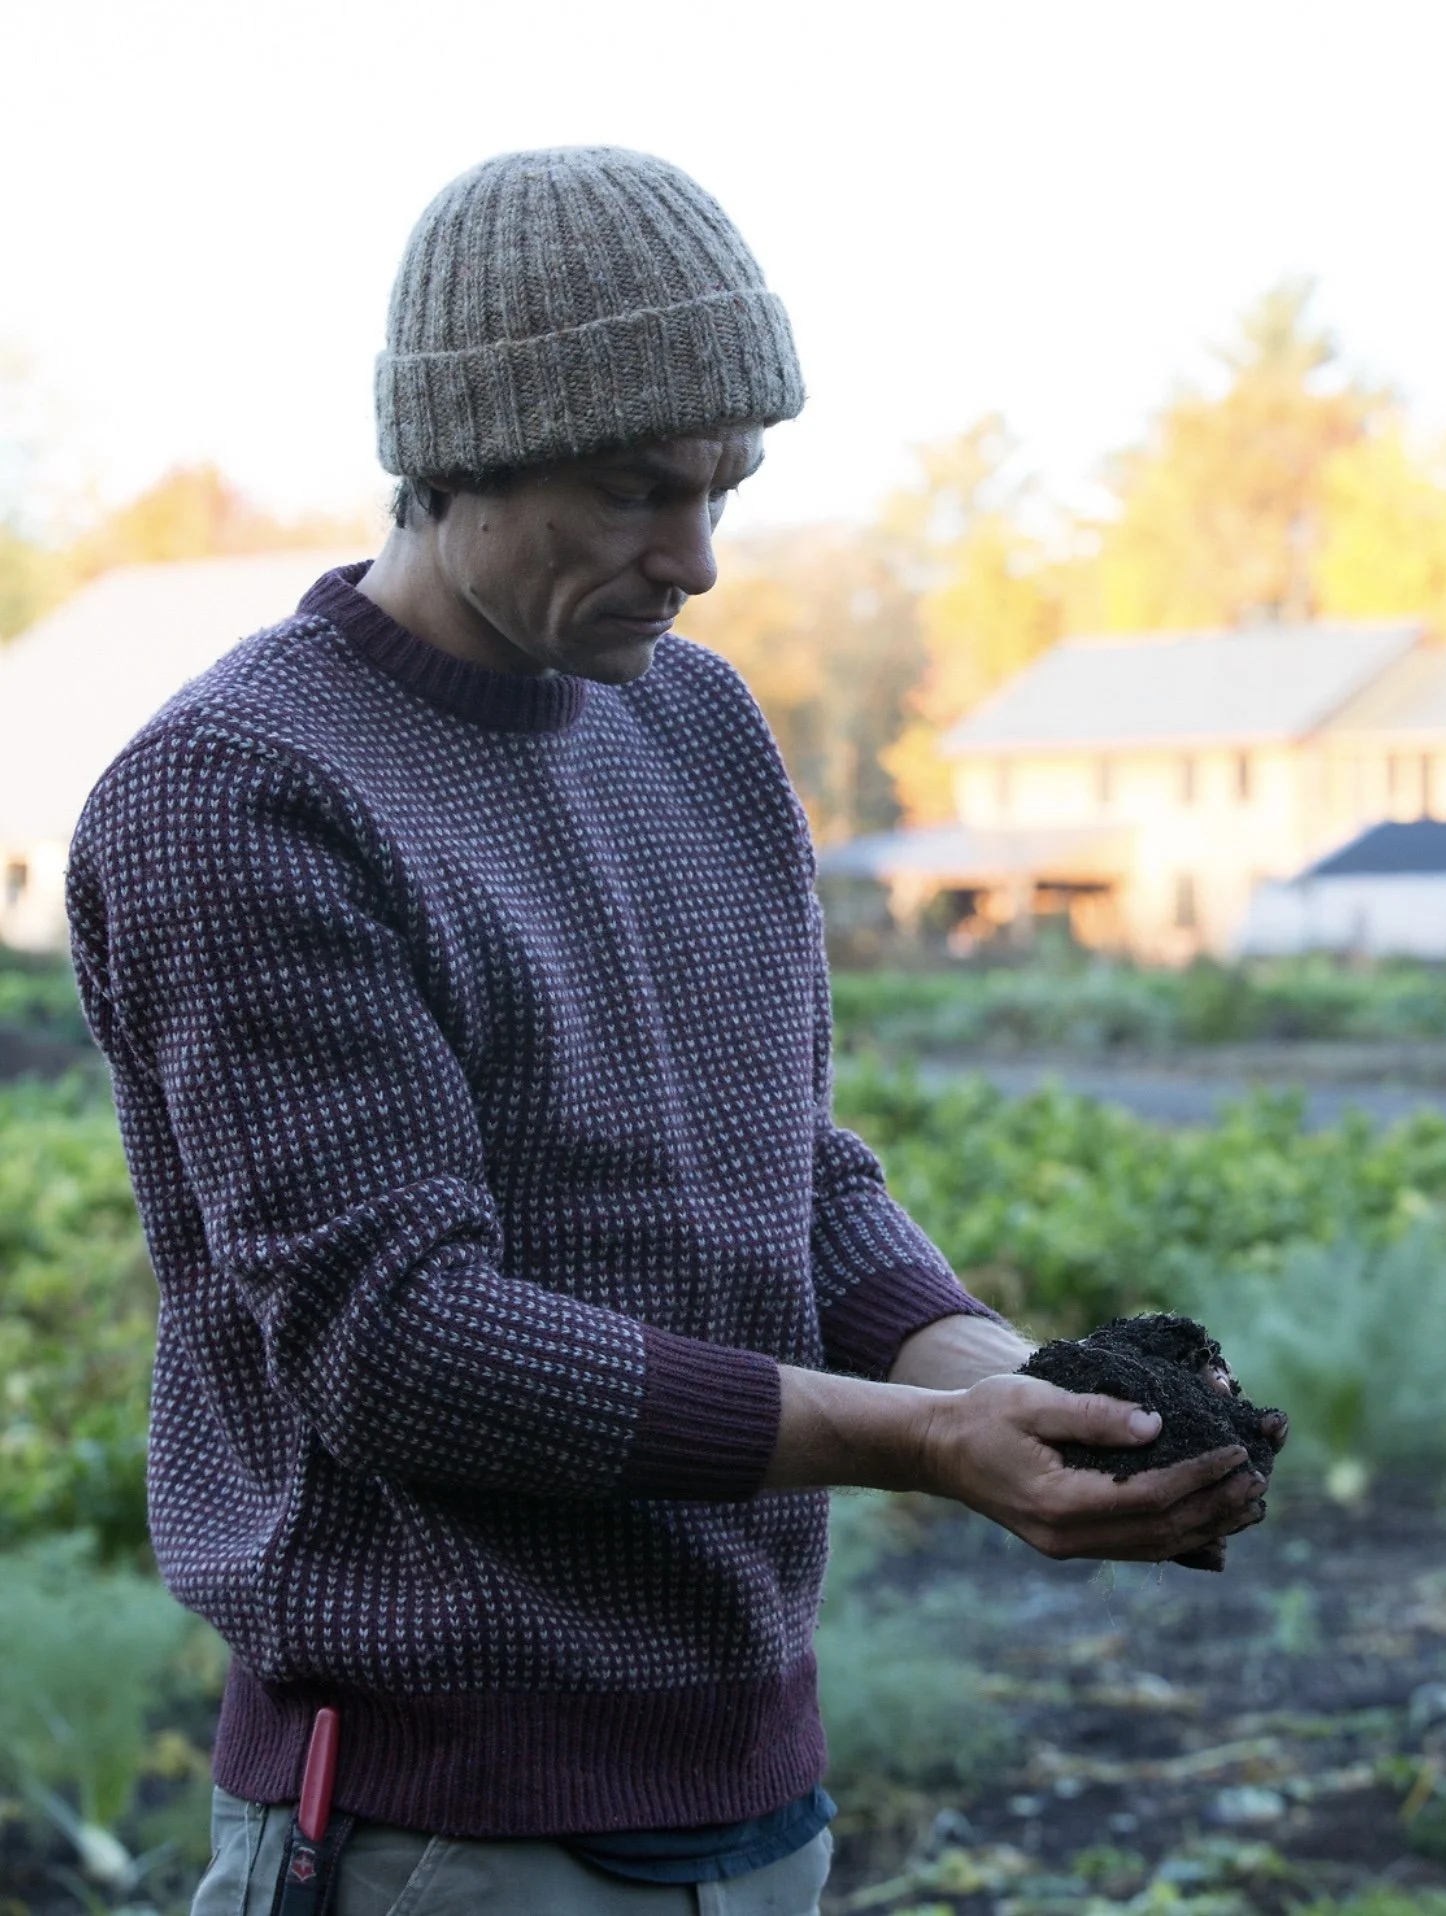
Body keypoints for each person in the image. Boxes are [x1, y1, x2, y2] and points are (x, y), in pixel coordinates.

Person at [67, 148, 1273, 1916]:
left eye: (727, 488)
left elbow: (783, 1176)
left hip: (760, 1798)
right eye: (637, 492)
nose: (696, 560)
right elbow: (400, 1341)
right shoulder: (242, 793)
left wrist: (1018, 1391)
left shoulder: (695, 726)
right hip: (444, 1837)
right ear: (457, 457)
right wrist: (915, 1447)